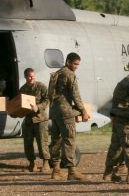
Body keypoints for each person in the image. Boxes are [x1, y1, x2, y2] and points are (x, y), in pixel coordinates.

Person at [48, 52, 90, 181]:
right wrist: (83, 111)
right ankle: (72, 171)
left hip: (54, 111)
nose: (76, 67)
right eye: (75, 64)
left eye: (78, 64)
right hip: (65, 112)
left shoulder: (57, 73)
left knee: (56, 140)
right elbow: (75, 95)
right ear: (68, 62)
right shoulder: (69, 74)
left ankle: (55, 170)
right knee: (69, 140)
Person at [19, 68, 51, 173]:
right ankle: (32, 164)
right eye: (29, 76)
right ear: (25, 77)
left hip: (40, 119)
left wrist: (38, 107)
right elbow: (19, 103)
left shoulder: (41, 87)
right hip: (28, 120)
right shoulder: (22, 89)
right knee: (28, 143)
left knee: (42, 142)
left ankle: (46, 163)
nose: (31, 78)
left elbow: (47, 100)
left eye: (33, 76)